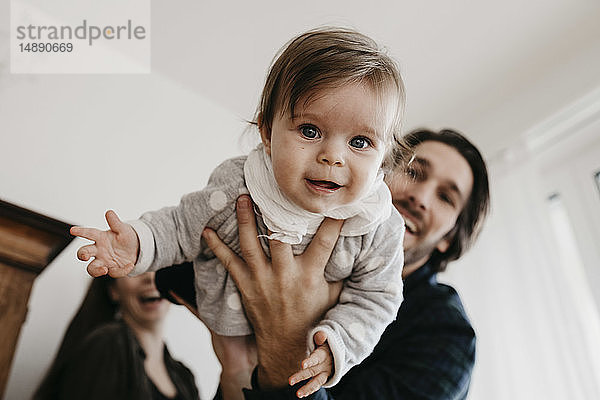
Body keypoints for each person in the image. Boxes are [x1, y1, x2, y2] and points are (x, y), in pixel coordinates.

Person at [70, 27, 408, 397]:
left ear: (384, 157)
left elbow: (377, 299)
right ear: (266, 131)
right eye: (309, 130)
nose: (333, 156)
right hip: (228, 331)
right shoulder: (240, 185)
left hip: (301, 352)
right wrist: (135, 243)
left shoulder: (379, 226)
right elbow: (182, 225)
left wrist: (336, 346)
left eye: (360, 142)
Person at [202, 128, 490, 399]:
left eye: (445, 197)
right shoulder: (296, 231)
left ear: (449, 238)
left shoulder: (446, 336)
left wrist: (285, 345)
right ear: (380, 173)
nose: (420, 197)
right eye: (413, 172)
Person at [32, 273, 199, 400]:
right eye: (134, 270)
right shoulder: (106, 344)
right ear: (113, 291)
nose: (150, 277)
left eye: (159, 266)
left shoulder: (184, 375)